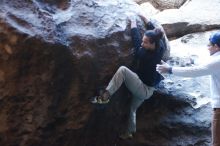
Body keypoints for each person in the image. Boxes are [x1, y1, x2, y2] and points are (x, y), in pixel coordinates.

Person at [91, 14, 168, 139]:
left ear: (152, 44)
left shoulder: (145, 55)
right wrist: (146, 20)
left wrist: (133, 24)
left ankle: (105, 96)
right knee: (132, 109)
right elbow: (158, 34)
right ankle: (129, 132)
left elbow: (137, 41)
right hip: (149, 89)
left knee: (123, 70)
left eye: (145, 42)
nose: (143, 44)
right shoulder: (160, 47)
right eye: (144, 41)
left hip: (143, 88)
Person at [156, 32, 220, 146]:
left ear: (216, 46)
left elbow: (196, 71)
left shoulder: (217, 61)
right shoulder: (216, 60)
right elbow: (207, 65)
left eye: (209, 45)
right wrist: (193, 61)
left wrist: (170, 69)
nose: (207, 47)